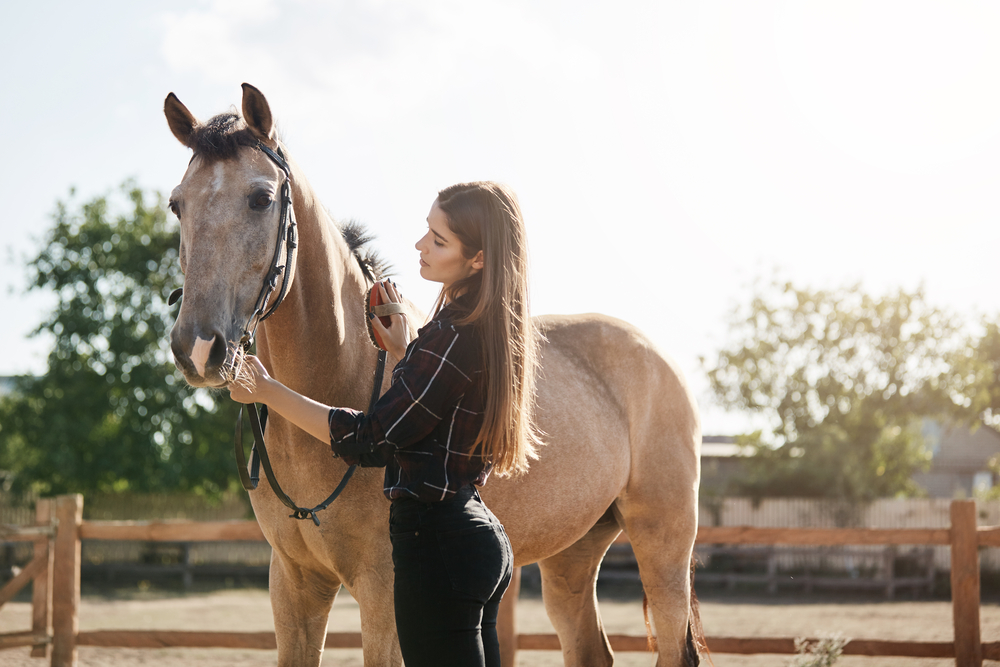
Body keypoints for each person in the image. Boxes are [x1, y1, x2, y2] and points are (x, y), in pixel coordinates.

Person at [228, 181, 541, 667]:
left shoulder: (452, 338)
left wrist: (267, 391)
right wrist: (403, 352)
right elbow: (436, 407)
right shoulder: (479, 332)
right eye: (426, 232)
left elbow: (370, 439)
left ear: (477, 260)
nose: (421, 246)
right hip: (472, 537)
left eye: (439, 241)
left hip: (437, 549)